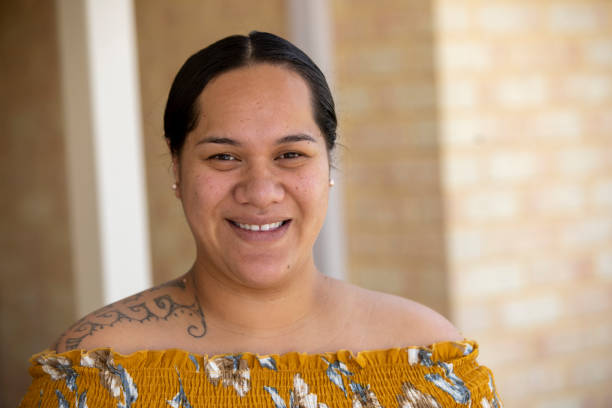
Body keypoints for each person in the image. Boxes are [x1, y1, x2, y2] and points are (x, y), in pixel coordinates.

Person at [20, 31, 501, 407]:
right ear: (177, 166)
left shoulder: (431, 363)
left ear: (328, 165)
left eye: (291, 154)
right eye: (224, 158)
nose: (261, 192)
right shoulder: (97, 370)